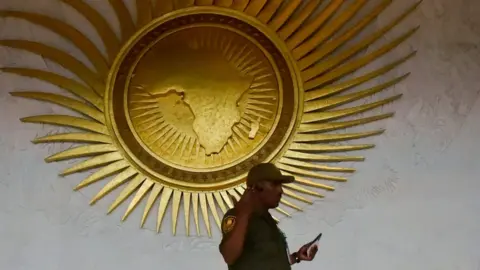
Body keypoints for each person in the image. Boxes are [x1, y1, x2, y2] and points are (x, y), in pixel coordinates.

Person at [219, 163, 319, 270]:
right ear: (257, 187)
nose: (281, 191)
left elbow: (268, 261)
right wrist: (244, 213)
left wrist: (297, 257)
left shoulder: (266, 219)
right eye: (275, 185)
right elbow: (229, 256)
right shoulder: (237, 215)